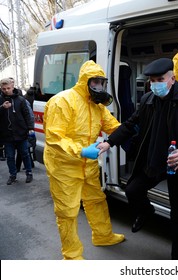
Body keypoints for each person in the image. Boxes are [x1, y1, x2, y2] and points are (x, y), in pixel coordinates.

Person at [98, 58, 178, 259]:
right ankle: (146, 211)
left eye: (160, 79)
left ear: (172, 78)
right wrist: (109, 142)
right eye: (152, 81)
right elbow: (129, 124)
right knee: (133, 190)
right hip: (155, 160)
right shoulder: (148, 100)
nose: (155, 84)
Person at [43, 60, 125, 260]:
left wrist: (133, 130)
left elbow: (113, 126)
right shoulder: (63, 101)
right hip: (64, 166)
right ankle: (71, 256)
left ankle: (103, 236)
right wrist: (80, 151)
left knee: (96, 200)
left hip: (87, 165)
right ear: (85, 82)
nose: (99, 87)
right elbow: (55, 137)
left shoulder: (97, 106)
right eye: (95, 82)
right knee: (67, 211)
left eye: (102, 83)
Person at [0, 78, 34, 185]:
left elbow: (27, 115)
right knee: (10, 156)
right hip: (7, 135)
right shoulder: (0, 100)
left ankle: (29, 173)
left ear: (12, 87)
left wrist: (30, 128)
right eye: (4, 88)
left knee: (25, 154)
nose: (6, 90)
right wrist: (2, 107)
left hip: (21, 133)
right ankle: (12, 175)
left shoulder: (20, 100)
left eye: (8, 88)